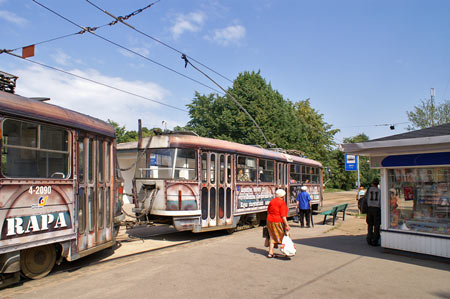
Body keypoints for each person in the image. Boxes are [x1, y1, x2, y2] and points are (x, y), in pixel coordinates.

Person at [266, 189, 290, 258]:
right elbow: (283, 216)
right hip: (277, 221)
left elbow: (268, 211)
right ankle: (287, 251)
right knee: (283, 237)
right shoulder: (282, 203)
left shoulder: (272, 201)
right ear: (282, 196)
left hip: (269, 221)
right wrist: (287, 225)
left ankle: (270, 253)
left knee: (272, 237)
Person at [365, 180, 381, 246]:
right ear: (377, 184)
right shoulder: (379, 191)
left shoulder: (369, 190)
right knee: (377, 226)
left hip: (369, 208)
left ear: (372, 183)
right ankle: (375, 240)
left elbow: (366, 198)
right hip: (376, 208)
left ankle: (369, 238)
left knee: (370, 224)